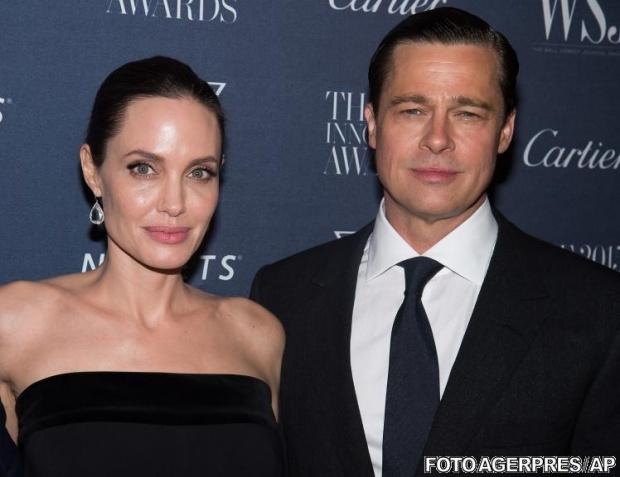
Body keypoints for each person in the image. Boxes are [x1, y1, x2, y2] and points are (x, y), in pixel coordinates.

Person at [251, 7, 620, 477]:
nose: (438, 139)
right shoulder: (281, 296)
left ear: (505, 131)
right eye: (413, 110)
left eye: (467, 113)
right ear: (371, 124)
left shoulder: (598, 312)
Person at [0, 56, 285, 476]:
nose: (175, 203)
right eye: (144, 169)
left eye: (199, 173)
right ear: (92, 171)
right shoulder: (15, 324)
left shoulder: (258, 335)